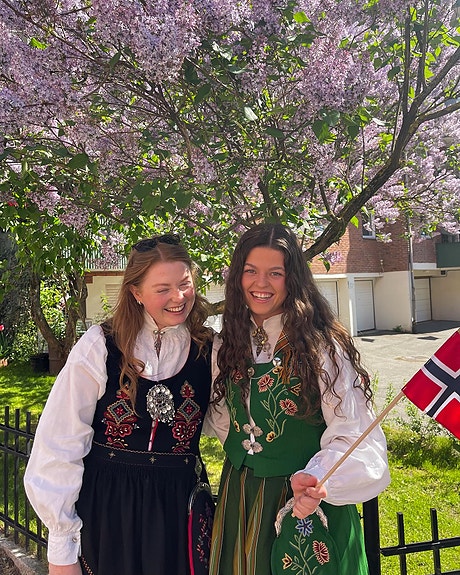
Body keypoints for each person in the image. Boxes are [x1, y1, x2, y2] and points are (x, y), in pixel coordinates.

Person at [24, 234, 215, 575]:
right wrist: (62, 548)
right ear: (136, 292)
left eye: (185, 283)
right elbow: (61, 441)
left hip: (178, 514)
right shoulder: (100, 345)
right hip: (109, 510)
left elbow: (234, 423)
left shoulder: (210, 350)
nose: (178, 297)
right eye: (163, 288)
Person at [207, 223, 390, 575]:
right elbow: (222, 420)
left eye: (275, 273)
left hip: (306, 500)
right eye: (251, 271)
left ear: (293, 279)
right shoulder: (226, 344)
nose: (261, 283)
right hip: (240, 498)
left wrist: (321, 478)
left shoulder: (322, 347)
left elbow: (355, 434)